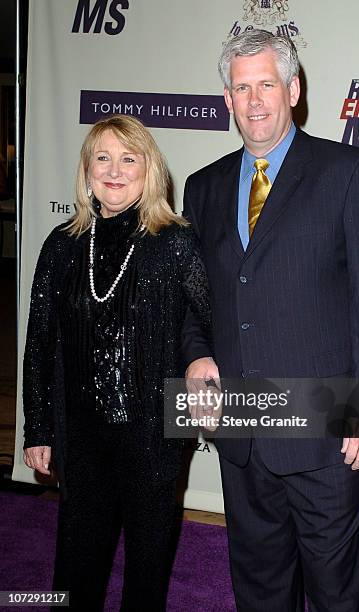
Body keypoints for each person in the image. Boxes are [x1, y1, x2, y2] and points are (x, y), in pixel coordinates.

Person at [183, 30, 359, 611]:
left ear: (293, 89)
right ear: (226, 99)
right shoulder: (202, 188)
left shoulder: (351, 172)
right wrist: (194, 353)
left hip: (329, 432)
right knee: (259, 589)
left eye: (266, 84)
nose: (254, 101)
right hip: (242, 432)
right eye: (241, 88)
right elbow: (191, 298)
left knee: (336, 593)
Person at [23, 114, 211, 611]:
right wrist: (38, 428)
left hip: (151, 435)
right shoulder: (60, 246)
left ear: (149, 171)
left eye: (129, 159)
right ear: (86, 170)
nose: (114, 170)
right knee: (76, 563)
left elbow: (208, 325)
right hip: (81, 435)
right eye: (102, 157)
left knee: (146, 569)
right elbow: (39, 343)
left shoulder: (175, 243)